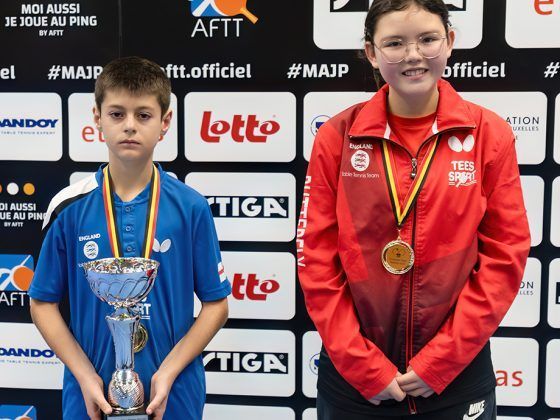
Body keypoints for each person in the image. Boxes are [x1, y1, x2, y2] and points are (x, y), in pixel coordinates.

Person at [297, 1, 531, 419]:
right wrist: (362, 365)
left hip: (456, 375)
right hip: (355, 378)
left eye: (427, 39)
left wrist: (441, 361)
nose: (412, 55)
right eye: (394, 43)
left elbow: (505, 254)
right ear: (371, 53)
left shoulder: (489, 134)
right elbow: (316, 257)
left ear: (450, 42)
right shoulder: (337, 136)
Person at [29, 56, 230, 420]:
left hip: (175, 392)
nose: (130, 126)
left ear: (165, 122)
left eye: (144, 115)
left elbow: (216, 305)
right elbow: (42, 303)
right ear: (97, 119)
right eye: (117, 114)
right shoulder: (68, 207)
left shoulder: (190, 206)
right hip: (90, 394)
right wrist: (85, 375)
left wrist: (168, 372)